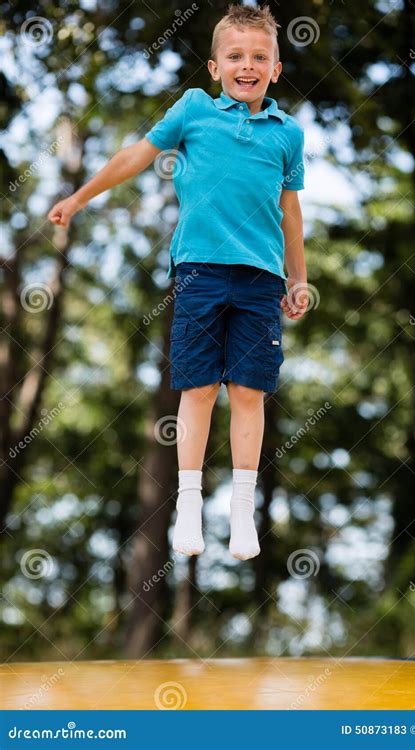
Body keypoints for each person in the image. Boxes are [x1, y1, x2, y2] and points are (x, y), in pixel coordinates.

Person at [48, 3, 308, 561]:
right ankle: (188, 504)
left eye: (259, 57)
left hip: (262, 279)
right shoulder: (193, 109)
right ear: (214, 67)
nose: (247, 65)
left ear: (276, 70)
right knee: (196, 389)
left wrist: (299, 277)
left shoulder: (288, 134)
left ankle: (242, 507)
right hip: (200, 271)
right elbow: (136, 156)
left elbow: (291, 213)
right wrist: (78, 197)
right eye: (235, 56)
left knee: (249, 391)